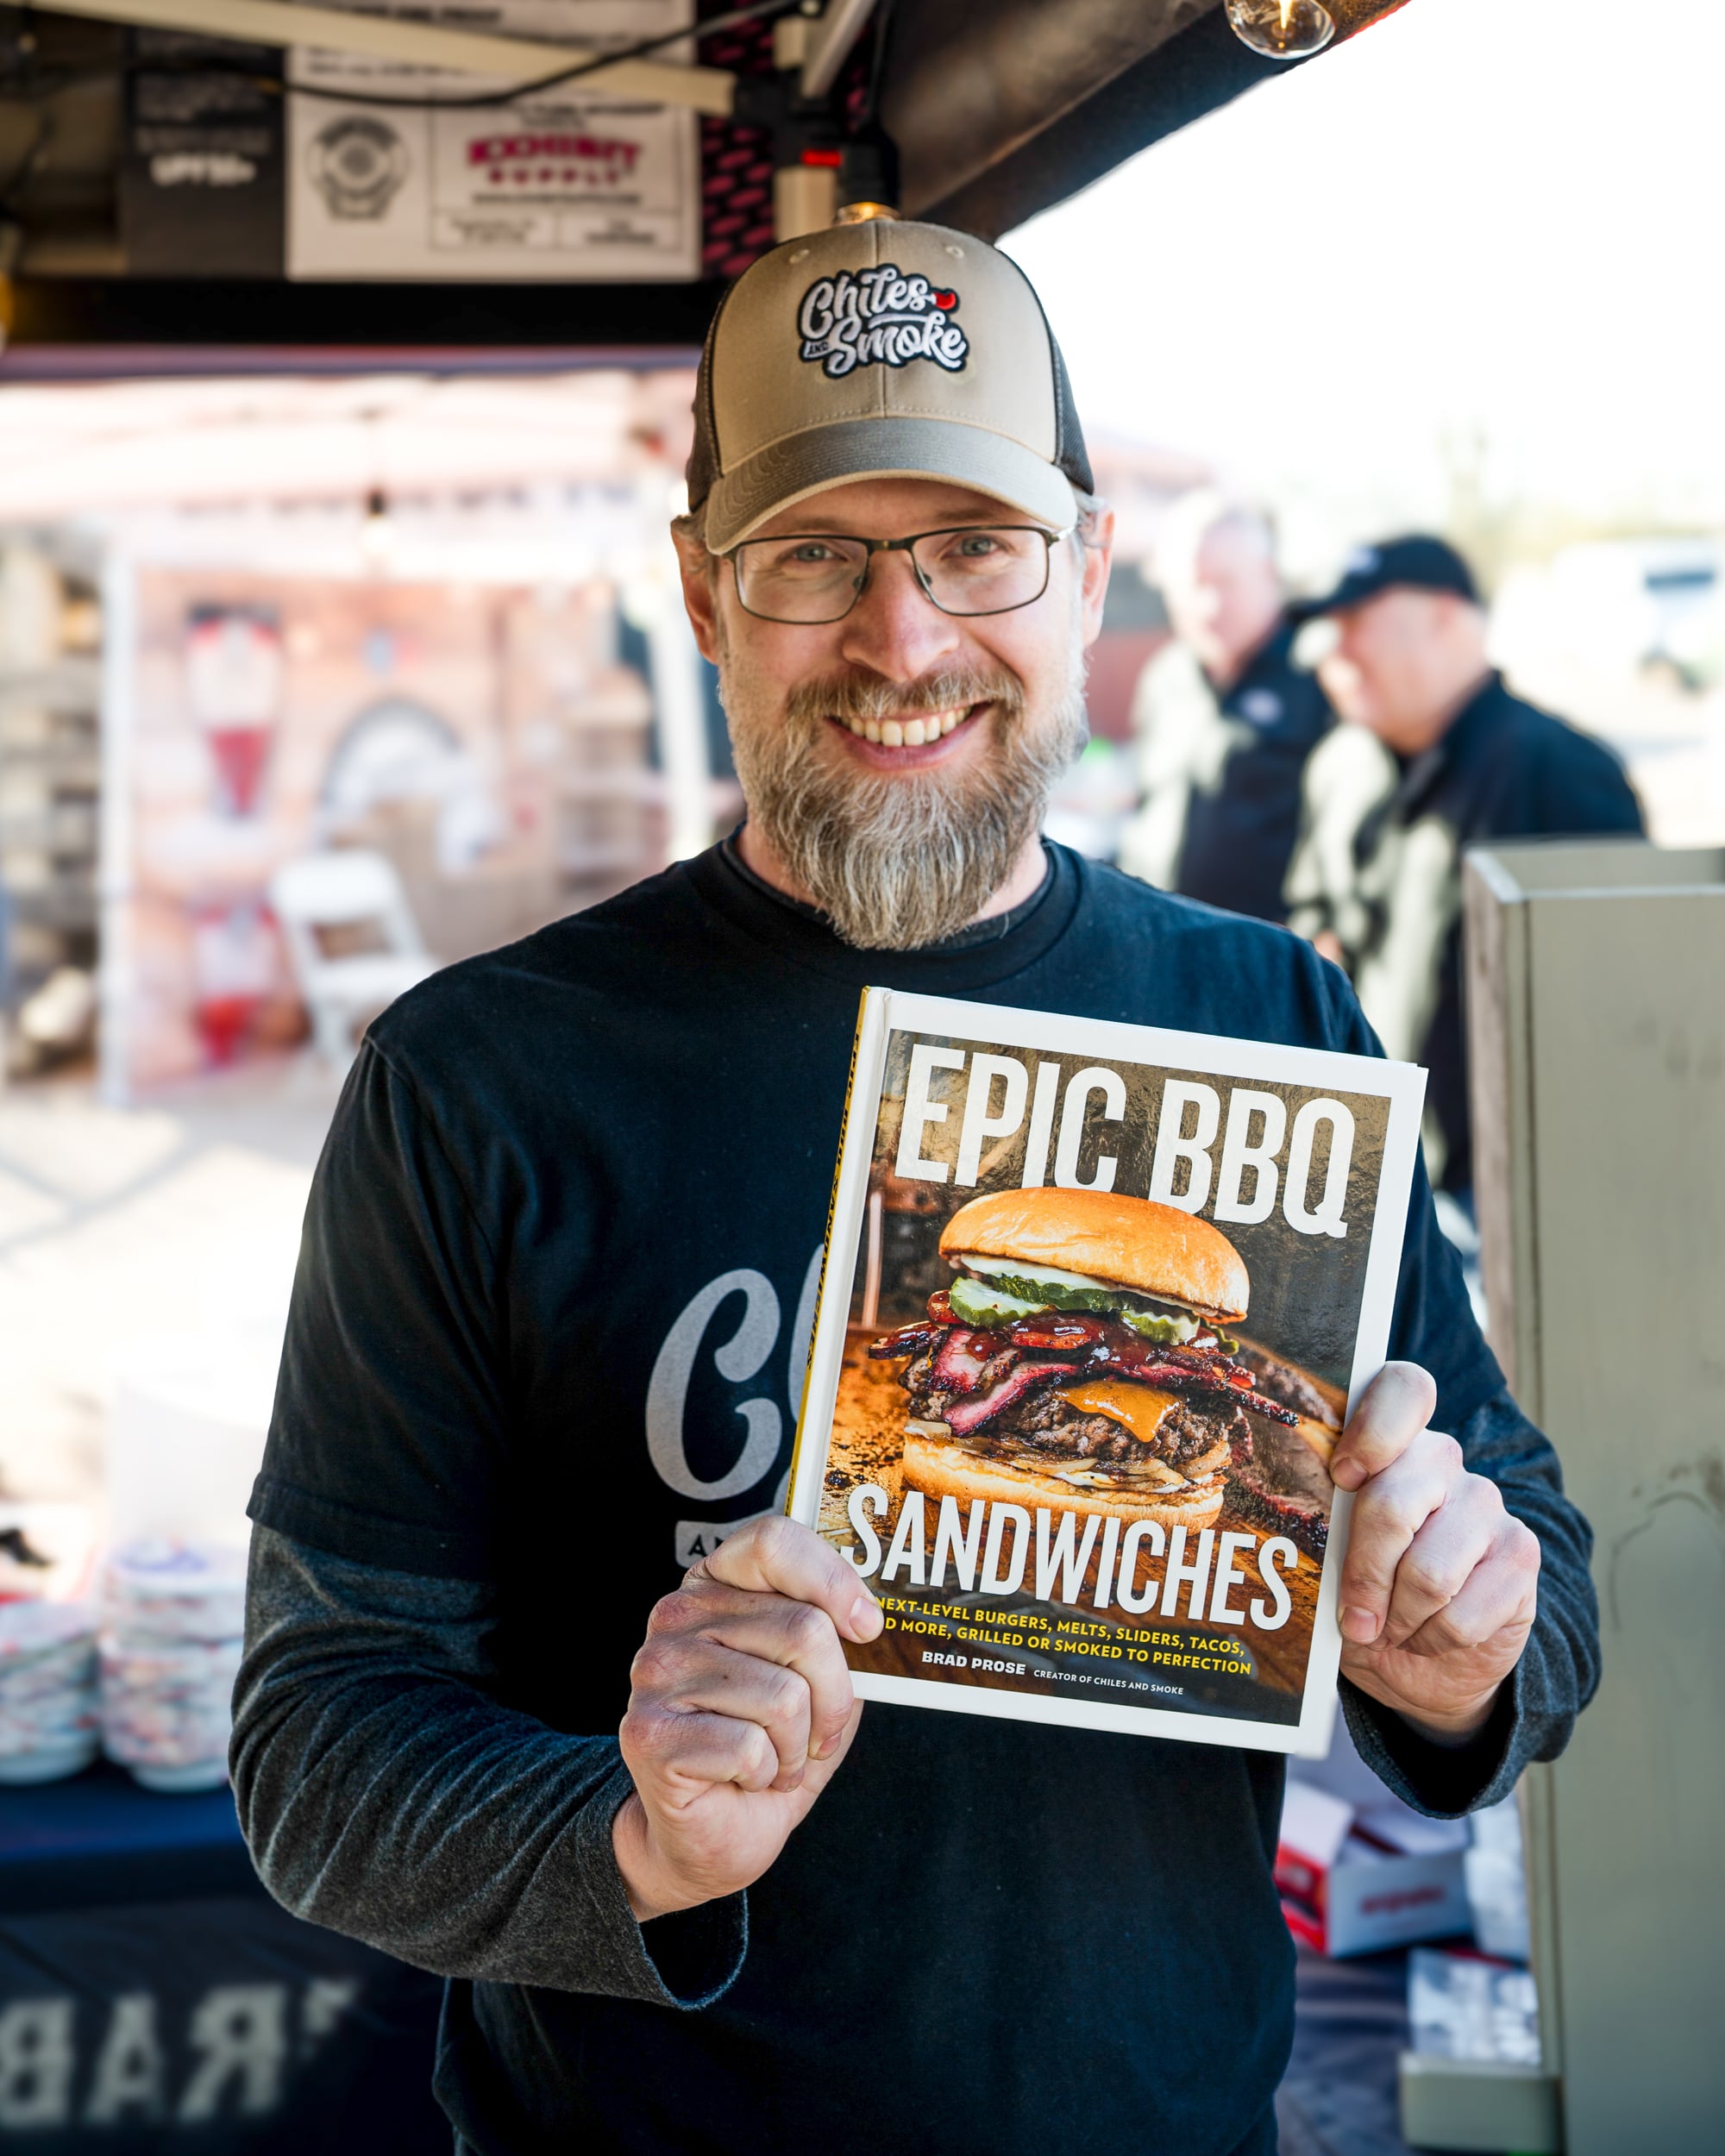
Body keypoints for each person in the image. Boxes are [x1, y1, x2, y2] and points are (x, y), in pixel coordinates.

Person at [232, 223, 1596, 2156]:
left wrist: (1462, 1655)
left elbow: (1542, 1568)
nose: (902, 640)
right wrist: (628, 1832)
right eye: (814, 556)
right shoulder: (480, 1079)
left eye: (974, 547)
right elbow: (314, 1743)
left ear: (1088, 569)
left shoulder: (1270, 1015)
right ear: (701, 595)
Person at [1283, 536, 1644, 1197]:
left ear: (1445, 619)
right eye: (1327, 631)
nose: (1335, 653)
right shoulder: (1340, 766)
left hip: (1510, 1191)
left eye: (1357, 622)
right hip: (1368, 1179)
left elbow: (1627, 1016)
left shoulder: (1560, 772)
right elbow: (1313, 926)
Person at [1116, 492, 1332, 922]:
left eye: (1227, 582)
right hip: (1152, 934)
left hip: (1269, 947)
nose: (1209, 605)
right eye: (1194, 584)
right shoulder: (1164, 676)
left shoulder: (1319, 676)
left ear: (1269, 575)